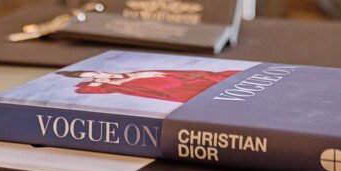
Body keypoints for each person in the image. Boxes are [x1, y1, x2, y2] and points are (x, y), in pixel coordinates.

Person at [57, 66, 237, 103]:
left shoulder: (131, 74)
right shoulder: (108, 86)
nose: (101, 76)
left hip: (199, 81)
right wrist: (98, 83)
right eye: (94, 77)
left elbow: (172, 73)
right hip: (185, 92)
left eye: (97, 73)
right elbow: (84, 90)